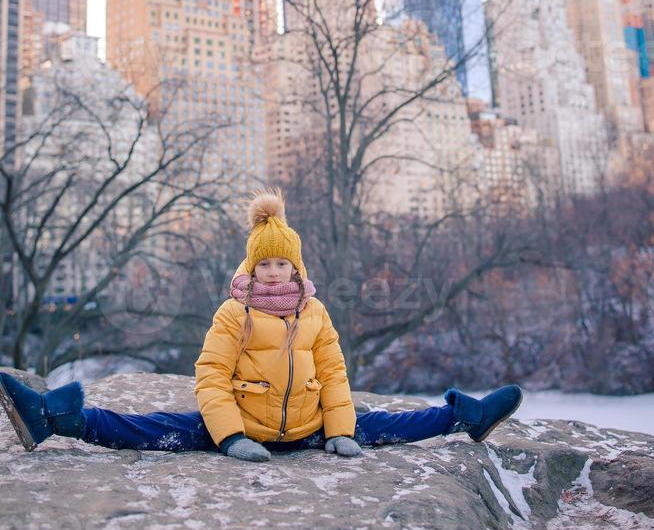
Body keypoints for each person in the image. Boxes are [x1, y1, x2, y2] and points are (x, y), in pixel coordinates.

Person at [0, 188, 522, 461]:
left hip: (309, 429)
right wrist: (229, 438)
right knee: (156, 428)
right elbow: (209, 377)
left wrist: (338, 432)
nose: (274, 271)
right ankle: (51, 418)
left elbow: (335, 377)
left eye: (282, 263)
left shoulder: (315, 313)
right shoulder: (234, 313)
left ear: (296, 267)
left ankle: (466, 417)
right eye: (264, 264)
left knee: (387, 424)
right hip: (244, 428)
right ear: (252, 267)